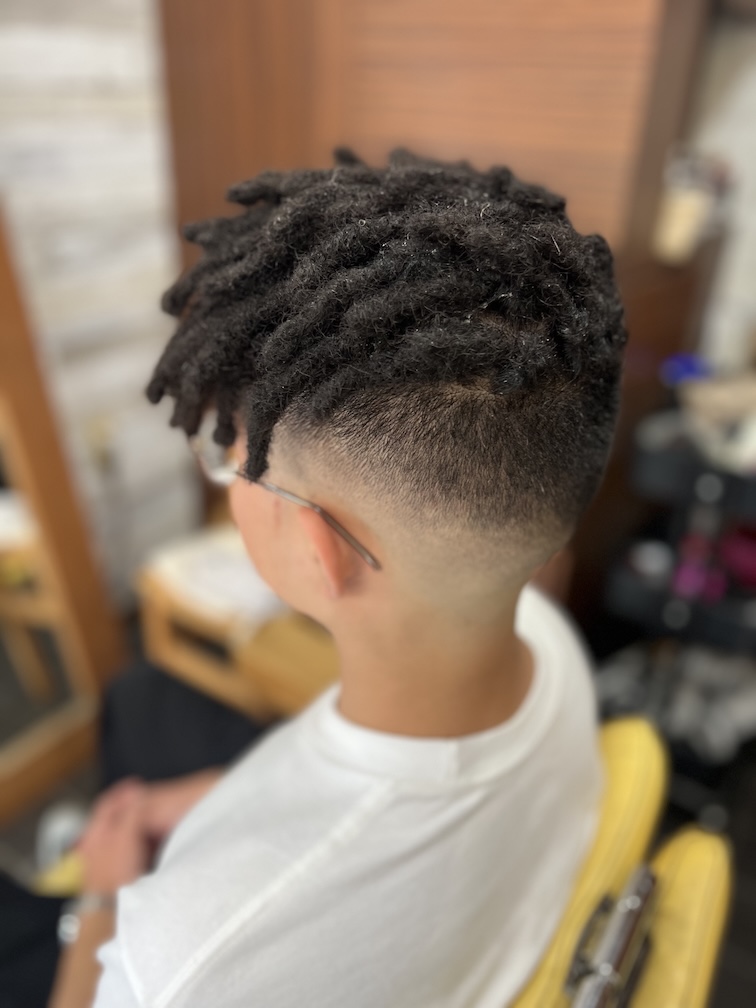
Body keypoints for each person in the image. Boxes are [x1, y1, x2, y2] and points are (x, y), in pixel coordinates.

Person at [52, 149, 627, 1008]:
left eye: (229, 451)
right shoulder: (554, 646)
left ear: (319, 548)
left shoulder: (179, 964)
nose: (225, 470)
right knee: (143, 700)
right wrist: (224, 801)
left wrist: (102, 899)